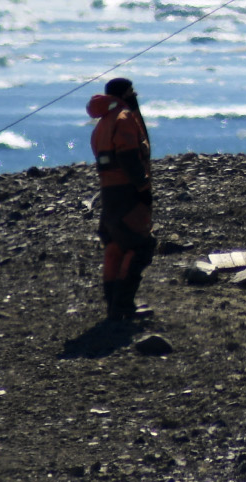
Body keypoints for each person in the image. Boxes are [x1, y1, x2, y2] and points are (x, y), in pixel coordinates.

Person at [87, 77, 155, 322]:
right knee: (140, 245)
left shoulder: (103, 123)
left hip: (109, 192)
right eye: (131, 92)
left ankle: (113, 306)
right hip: (126, 191)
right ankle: (124, 306)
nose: (134, 95)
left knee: (115, 246)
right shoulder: (125, 118)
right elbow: (127, 157)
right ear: (125, 94)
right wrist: (143, 187)